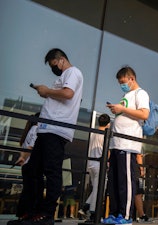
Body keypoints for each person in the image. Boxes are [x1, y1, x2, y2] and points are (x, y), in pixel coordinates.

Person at [7, 48, 83, 225]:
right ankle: (32, 212)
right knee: (33, 170)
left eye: (54, 64)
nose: (53, 68)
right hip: (46, 129)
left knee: (51, 171)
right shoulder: (65, 75)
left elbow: (68, 93)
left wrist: (47, 91)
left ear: (62, 59)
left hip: (56, 130)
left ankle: (46, 214)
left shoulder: (73, 72)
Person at [104, 66, 150, 224]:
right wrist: (118, 110)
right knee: (114, 181)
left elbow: (144, 114)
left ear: (132, 79)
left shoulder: (140, 93)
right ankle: (114, 213)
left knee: (125, 181)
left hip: (128, 143)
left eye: (123, 82)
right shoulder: (126, 94)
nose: (122, 85)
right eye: (120, 83)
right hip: (117, 144)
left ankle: (125, 216)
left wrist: (122, 108)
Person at [78, 114, 111, 220]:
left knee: (97, 188)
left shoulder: (93, 133)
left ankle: (85, 207)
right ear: (108, 124)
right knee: (100, 188)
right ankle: (92, 213)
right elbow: (107, 152)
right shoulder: (104, 134)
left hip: (91, 164)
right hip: (99, 165)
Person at [134, 154, 150, 222]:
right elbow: (138, 156)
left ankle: (134, 214)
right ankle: (141, 214)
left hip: (131, 168)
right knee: (138, 193)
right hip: (136, 170)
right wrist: (142, 169)